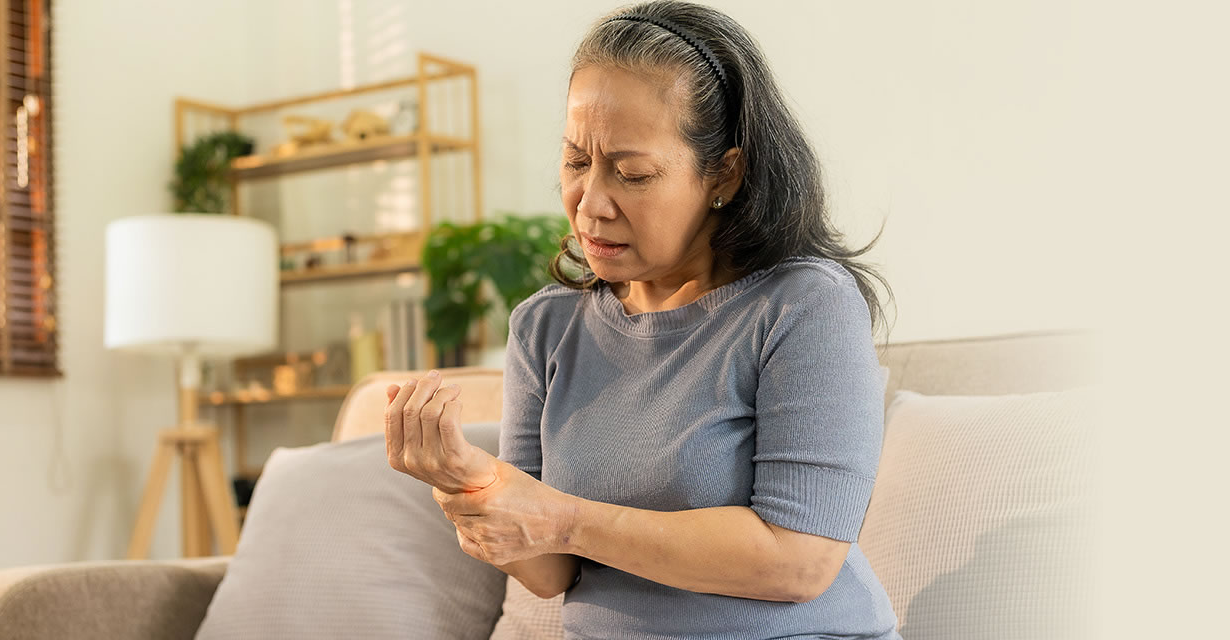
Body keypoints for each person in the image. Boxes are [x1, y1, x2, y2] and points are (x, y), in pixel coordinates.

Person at [382, 1, 898, 637]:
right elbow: (552, 574)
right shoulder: (545, 328)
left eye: (632, 174)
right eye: (575, 161)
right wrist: (467, 479)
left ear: (725, 174)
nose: (590, 204)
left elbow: (800, 561)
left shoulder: (801, 304)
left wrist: (562, 517)